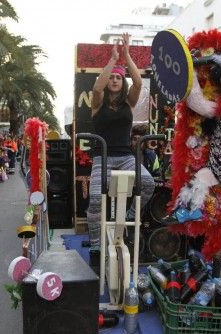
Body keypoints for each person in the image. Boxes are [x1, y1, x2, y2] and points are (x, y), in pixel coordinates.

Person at [87, 33, 154, 247]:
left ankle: (129, 217)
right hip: (103, 158)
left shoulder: (128, 102)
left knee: (148, 183)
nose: (115, 80)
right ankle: (96, 245)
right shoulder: (98, 103)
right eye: (112, 78)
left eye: (118, 77)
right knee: (96, 201)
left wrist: (127, 54)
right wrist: (113, 60)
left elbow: (137, 82)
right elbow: (97, 88)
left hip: (126, 157)